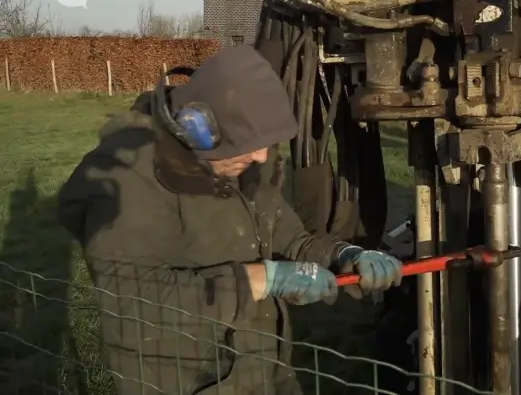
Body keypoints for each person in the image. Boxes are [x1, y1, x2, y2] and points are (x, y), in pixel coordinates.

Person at [57, 45, 404, 395]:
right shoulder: (128, 179)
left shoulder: (239, 163)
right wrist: (260, 279)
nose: (260, 155)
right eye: (248, 143)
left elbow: (294, 241)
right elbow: (131, 300)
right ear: (196, 127)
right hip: (189, 380)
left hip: (264, 370)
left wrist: (347, 256)